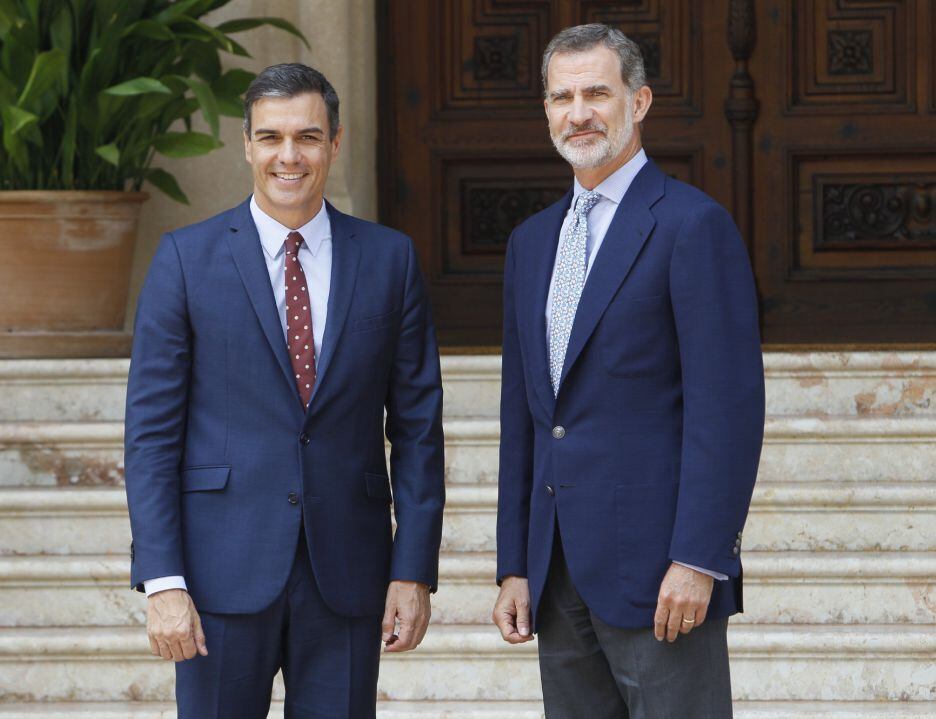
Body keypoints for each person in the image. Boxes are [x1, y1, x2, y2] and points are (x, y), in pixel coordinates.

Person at [124, 62, 445, 718]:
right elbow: (151, 435)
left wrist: (412, 570)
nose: (288, 156)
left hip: (348, 575)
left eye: (307, 136)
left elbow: (417, 431)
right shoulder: (185, 260)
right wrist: (163, 580)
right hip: (219, 574)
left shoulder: (389, 260)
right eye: (270, 138)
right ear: (246, 144)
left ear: (335, 142)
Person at [491, 24, 765, 718]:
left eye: (596, 93)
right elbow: (526, 418)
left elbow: (725, 411)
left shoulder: (692, 226)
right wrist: (516, 563)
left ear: (638, 102)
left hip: (660, 575)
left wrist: (701, 558)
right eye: (562, 96)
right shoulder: (530, 244)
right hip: (556, 576)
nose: (578, 112)